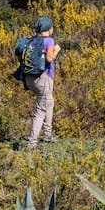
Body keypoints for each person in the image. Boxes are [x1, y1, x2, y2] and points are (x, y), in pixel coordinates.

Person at [25, 16, 61, 150]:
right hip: (43, 79)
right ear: (49, 29)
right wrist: (57, 49)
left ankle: (47, 134)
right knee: (40, 110)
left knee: (49, 102)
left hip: (30, 79)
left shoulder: (32, 40)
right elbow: (50, 58)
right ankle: (31, 143)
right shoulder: (49, 40)